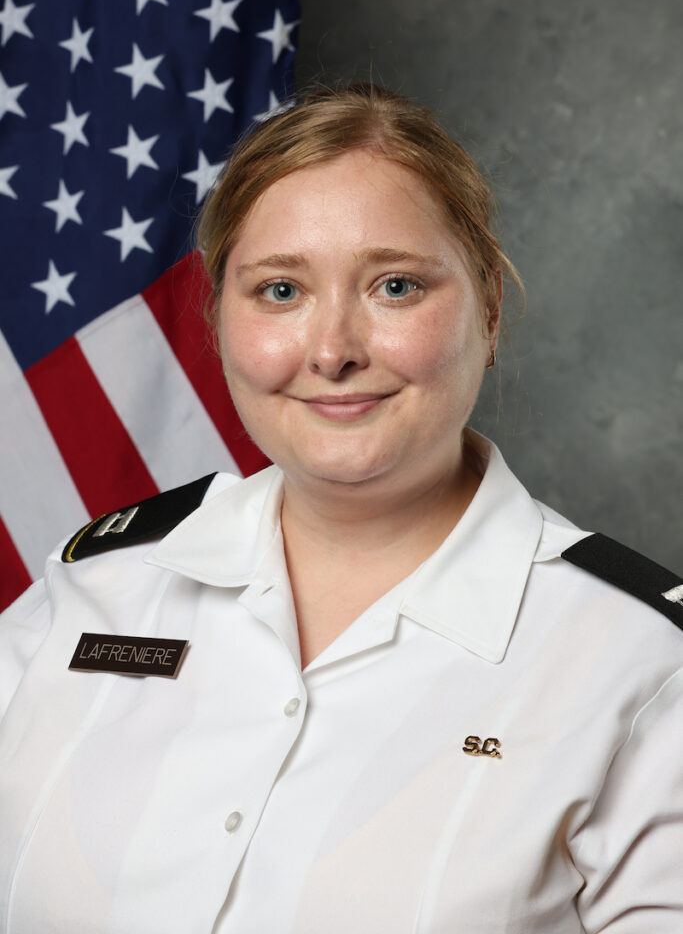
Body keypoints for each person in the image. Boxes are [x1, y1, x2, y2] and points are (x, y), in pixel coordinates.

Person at [1, 83, 682, 934]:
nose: (331, 352)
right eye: (280, 290)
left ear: (490, 311)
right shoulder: (91, 590)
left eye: (394, 286)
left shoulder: (644, 667)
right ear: (217, 320)